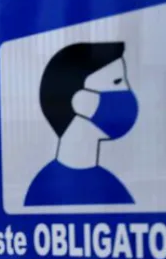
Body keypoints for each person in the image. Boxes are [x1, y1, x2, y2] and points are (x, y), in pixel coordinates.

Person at [25, 42, 138, 206]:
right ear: (82, 101)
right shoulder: (45, 189)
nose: (127, 90)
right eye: (117, 82)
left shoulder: (110, 185)